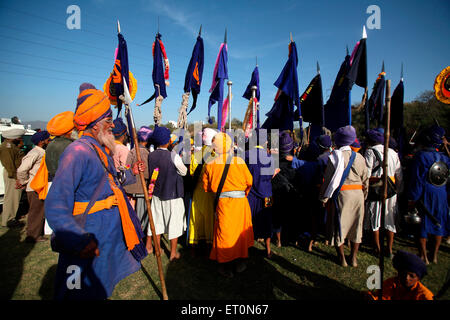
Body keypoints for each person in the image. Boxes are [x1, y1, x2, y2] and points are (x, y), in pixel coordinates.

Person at [44, 83, 147, 300]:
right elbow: (55, 205)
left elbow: (112, 182)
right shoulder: (78, 151)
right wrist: (79, 241)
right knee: (76, 295)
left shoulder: (98, 150)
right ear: (95, 124)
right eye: (108, 121)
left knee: (96, 292)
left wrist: (131, 173)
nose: (112, 126)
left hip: (103, 237)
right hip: (86, 237)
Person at [203, 132, 254, 277]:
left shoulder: (210, 165)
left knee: (224, 234)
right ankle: (239, 262)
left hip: (223, 204)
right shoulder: (239, 161)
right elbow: (249, 182)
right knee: (240, 234)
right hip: (240, 204)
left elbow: (206, 188)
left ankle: (225, 266)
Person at [319, 125, 369, 267]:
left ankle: (342, 259)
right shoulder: (360, 157)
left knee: (339, 226)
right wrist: (364, 195)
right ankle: (353, 258)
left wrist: (323, 198)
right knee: (356, 227)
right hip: (358, 195)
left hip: (342, 195)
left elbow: (328, 180)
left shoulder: (334, 157)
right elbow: (365, 179)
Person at [408, 125, 450, 264]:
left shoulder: (421, 156)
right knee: (438, 223)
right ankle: (434, 255)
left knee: (423, 224)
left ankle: (423, 256)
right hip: (441, 193)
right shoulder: (444, 157)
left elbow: (417, 178)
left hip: (426, 192)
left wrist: (413, 197)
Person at [146, 125, 187, 261]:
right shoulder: (173, 156)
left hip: (157, 195)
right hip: (173, 195)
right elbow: (184, 171)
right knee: (174, 224)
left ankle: (158, 249)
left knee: (157, 223)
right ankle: (173, 253)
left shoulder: (150, 156)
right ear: (168, 140)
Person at [364, 129, 403, 258]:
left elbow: (367, 173)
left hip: (376, 187)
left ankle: (378, 248)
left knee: (375, 218)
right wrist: (398, 189)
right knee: (389, 219)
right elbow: (399, 174)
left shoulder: (370, 152)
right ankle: (389, 248)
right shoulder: (392, 152)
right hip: (392, 190)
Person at [43, 110, 76, 235]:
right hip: (67, 182)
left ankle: (51, 230)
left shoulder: (51, 145)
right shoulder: (70, 146)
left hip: (53, 180)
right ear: (70, 131)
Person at [245, 130, 277, 258]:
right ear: (265, 142)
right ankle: (268, 250)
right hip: (266, 193)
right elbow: (270, 175)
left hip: (250, 194)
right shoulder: (270, 157)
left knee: (249, 221)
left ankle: (247, 249)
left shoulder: (246, 155)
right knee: (267, 220)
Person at [187, 127, 217, 252]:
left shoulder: (196, 154)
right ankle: (209, 245)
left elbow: (192, 172)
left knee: (195, 217)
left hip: (197, 191)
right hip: (210, 192)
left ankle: (194, 246)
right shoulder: (215, 155)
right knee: (209, 218)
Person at [16, 130, 50, 242]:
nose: (48, 140)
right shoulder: (35, 153)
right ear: (41, 141)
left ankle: (35, 233)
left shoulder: (40, 152)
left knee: (38, 211)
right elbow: (22, 169)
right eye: (46, 139)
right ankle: (33, 236)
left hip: (38, 185)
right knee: (36, 212)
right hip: (34, 186)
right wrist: (23, 181)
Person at [367, 250, 433, 300]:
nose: (407, 278)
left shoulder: (425, 295)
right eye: (404, 273)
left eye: (412, 276)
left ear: (418, 278)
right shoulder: (392, 283)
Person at [124, 126, 152, 233]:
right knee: (139, 217)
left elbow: (127, 167)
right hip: (140, 190)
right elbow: (146, 173)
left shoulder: (132, 151)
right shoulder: (144, 153)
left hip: (131, 189)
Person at [0, 127, 26, 228]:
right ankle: (8, 220)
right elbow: (9, 164)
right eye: (20, 137)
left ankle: (11, 217)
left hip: (14, 173)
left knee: (14, 197)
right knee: (11, 197)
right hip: (12, 174)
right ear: (15, 137)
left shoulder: (11, 146)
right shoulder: (7, 147)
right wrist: (16, 178)